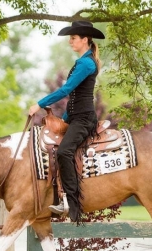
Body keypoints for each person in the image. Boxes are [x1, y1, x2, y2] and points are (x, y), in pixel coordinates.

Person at [29, 21, 105, 223]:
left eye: (73, 38)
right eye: (70, 38)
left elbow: (65, 90)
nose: (70, 41)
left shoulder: (86, 64)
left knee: (64, 151)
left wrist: (39, 104)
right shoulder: (83, 62)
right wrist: (62, 119)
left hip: (84, 119)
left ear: (84, 39)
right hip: (75, 118)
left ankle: (71, 202)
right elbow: (74, 98)